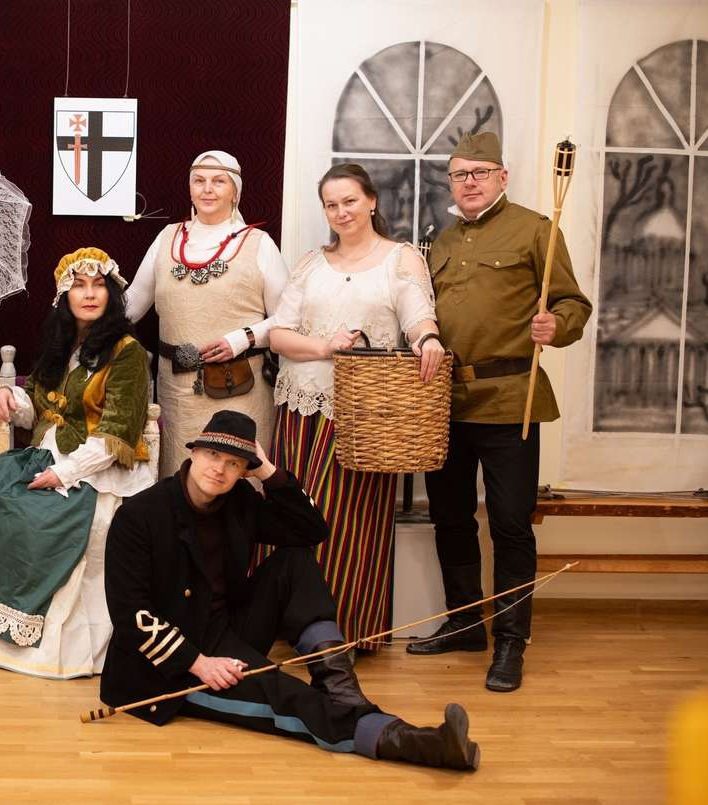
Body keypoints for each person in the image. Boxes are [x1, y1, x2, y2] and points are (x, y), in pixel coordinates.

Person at [98, 410, 480, 770]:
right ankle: (418, 744)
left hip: (227, 629)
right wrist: (200, 663)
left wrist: (268, 472)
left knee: (295, 561)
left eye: (234, 463)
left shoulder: (238, 499)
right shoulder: (140, 515)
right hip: (172, 668)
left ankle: (341, 688)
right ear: (194, 452)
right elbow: (132, 616)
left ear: (244, 471)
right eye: (213, 455)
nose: (220, 468)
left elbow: (310, 530)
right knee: (287, 695)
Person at [408, 132, 591, 692]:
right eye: (460, 174)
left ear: (502, 177)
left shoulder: (537, 230)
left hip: (512, 399)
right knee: (450, 517)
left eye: (480, 173)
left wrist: (557, 325)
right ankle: (466, 624)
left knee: (510, 524)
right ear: (450, 182)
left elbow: (573, 303)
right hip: (446, 401)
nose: (469, 182)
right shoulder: (438, 243)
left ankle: (512, 640)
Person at [267, 163, 444, 650]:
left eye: (349, 201)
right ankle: (291, 626)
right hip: (301, 411)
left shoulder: (401, 259)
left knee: (349, 526)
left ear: (371, 201)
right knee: (292, 517)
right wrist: (325, 347)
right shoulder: (311, 263)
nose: (341, 212)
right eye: (331, 205)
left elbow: (418, 318)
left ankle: (344, 632)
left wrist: (428, 340)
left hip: (362, 417)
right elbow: (279, 335)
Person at [0, 248, 155, 679]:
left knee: (43, 520)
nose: (89, 294)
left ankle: (52, 647)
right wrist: (8, 397)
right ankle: (0, 635)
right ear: (64, 295)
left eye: (98, 285)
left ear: (111, 294)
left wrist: (63, 473)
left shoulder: (126, 353)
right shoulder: (62, 345)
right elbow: (38, 408)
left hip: (96, 468)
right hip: (49, 454)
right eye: (78, 286)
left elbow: (117, 435)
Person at [127, 151, 288, 478]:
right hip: (177, 393)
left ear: (235, 191)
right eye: (199, 181)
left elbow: (288, 319)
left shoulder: (260, 244)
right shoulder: (167, 239)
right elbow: (131, 306)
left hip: (240, 388)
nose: (208, 189)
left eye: (219, 181)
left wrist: (242, 339)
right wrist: (85, 301)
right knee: (180, 479)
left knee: (234, 481)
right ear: (190, 189)